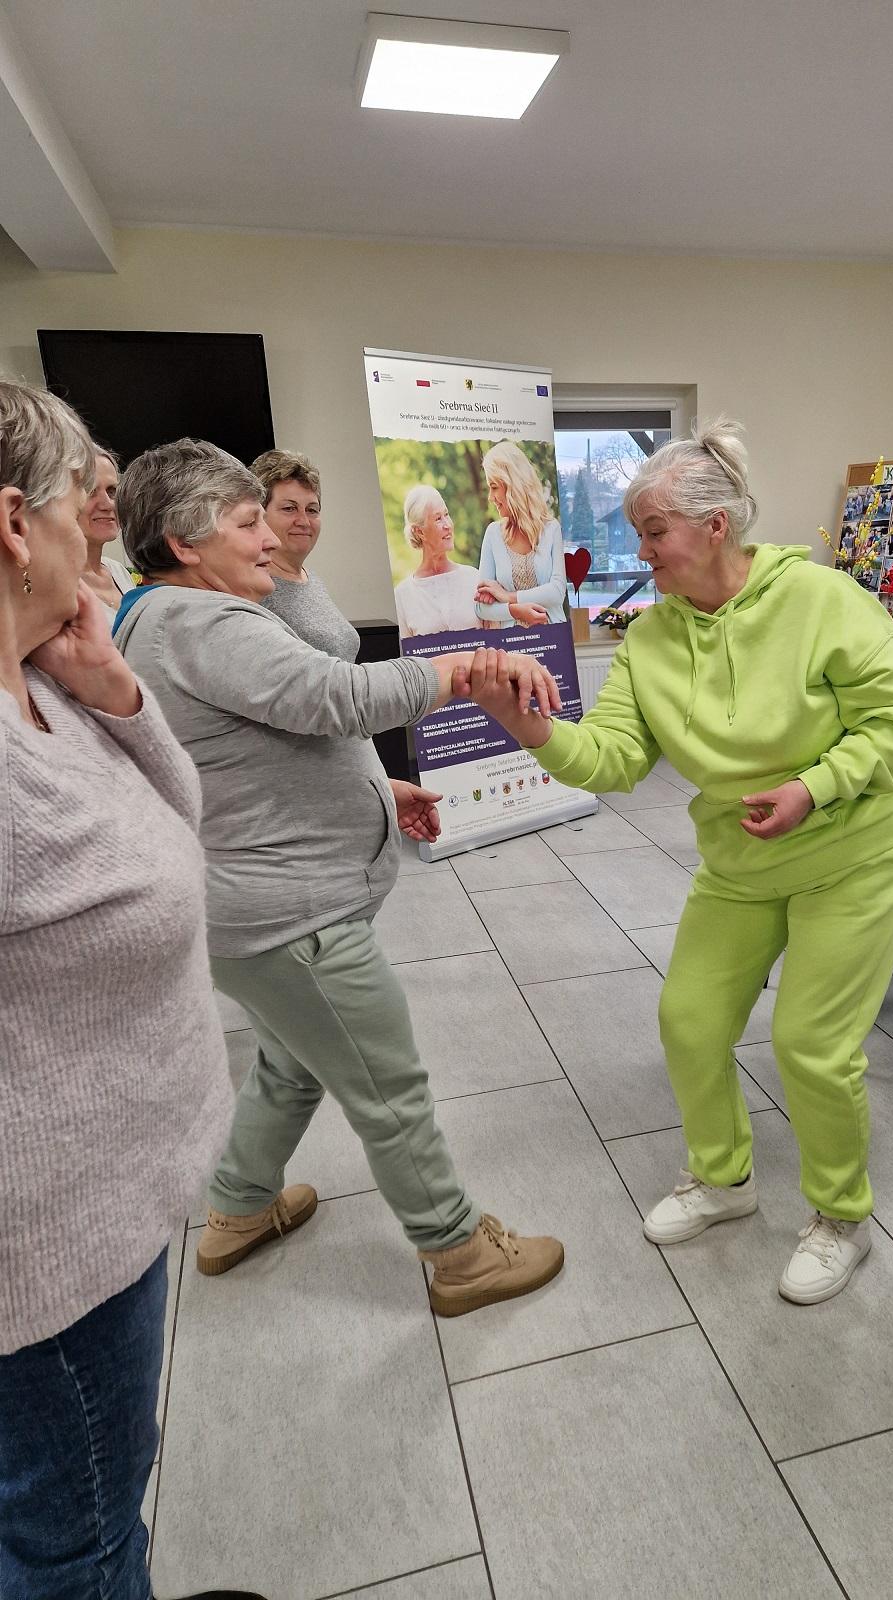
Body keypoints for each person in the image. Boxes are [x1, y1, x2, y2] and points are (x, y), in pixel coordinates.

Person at [466, 420, 893, 1304]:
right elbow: (611, 757)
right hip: (742, 860)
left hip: (852, 849)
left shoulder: (822, 601)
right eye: (638, 533)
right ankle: (723, 1181)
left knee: (811, 1045)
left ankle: (842, 1216)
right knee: (688, 1020)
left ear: (715, 527)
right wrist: (526, 724)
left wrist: (815, 785)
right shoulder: (649, 640)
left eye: (654, 532)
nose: (640, 552)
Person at [113, 439, 565, 1315]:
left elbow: (253, 744)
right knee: (387, 1085)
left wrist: (374, 785)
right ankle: (461, 1253)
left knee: (290, 1065)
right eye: (248, 524)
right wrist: (475, 666)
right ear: (183, 541)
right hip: (295, 922)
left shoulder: (156, 619)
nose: (271, 543)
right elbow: (341, 697)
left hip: (255, 917)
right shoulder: (201, 621)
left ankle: (239, 1210)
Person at [0, 384, 260, 1598]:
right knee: (79, 1526)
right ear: (15, 524)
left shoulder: (45, 671)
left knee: (104, 1491)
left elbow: (172, 826)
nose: (96, 526)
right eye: (77, 501)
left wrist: (112, 690)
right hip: (36, 1253)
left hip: (107, 1202)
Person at [252, 448, 360, 660]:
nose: (303, 521)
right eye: (289, 509)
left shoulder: (310, 579)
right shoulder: (256, 591)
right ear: (259, 515)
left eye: (312, 510)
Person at [394, 484, 544, 635]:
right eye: (438, 519)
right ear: (419, 532)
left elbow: (497, 640)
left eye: (447, 514)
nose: (448, 525)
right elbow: (406, 658)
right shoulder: (402, 596)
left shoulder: (474, 579)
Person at [475, 440, 567, 627]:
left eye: (494, 487)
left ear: (512, 485)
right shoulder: (493, 534)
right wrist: (515, 610)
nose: (490, 498)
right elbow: (481, 608)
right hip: (511, 648)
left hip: (552, 642)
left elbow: (557, 592)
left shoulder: (551, 529)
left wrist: (507, 596)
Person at [78, 445, 135, 620]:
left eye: (112, 491)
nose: (107, 504)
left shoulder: (118, 571)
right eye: (90, 491)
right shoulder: (53, 582)